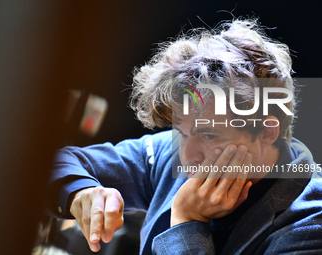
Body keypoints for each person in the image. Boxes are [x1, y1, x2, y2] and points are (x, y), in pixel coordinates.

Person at [47, 18, 322, 254]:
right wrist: (80, 191)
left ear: (266, 131)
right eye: (180, 130)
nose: (187, 155)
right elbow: (51, 164)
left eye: (210, 135)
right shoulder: (173, 152)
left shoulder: (310, 225)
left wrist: (186, 221)